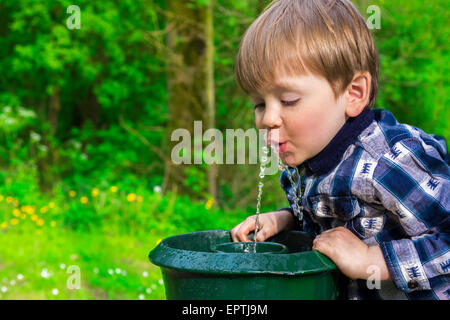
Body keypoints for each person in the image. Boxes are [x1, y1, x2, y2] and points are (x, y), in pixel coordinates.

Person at [230, 0, 449, 300]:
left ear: (354, 94)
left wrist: (373, 260)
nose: (267, 118)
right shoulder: (306, 162)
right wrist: (285, 220)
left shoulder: (387, 162)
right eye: (259, 104)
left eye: (289, 100)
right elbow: (326, 222)